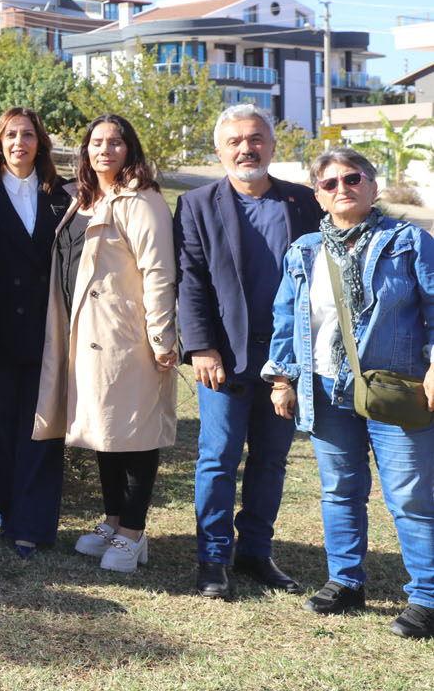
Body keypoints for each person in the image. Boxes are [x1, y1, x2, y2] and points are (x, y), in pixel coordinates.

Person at [263, 148, 434, 640]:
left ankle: (426, 596)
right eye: (330, 182)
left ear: (372, 186)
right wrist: (281, 378)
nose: (343, 187)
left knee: (410, 497)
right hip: (322, 387)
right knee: (340, 491)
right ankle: (346, 581)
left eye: (353, 178)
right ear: (318, 196)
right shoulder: (303, 250)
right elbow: (285, 318)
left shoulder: (409, 242)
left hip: (394, 389)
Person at [176, 104, 321, 599]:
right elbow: (190, 281)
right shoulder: (196, 203)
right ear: (219, 150)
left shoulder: (305, 203)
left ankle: (256, 552)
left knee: (271, 459)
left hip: (289, 359)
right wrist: (200, 346)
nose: (246, 148)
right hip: (226, 356)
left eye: (255, 138)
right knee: (217, 457)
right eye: (235, 140)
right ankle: (212, 558)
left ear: (272, 146)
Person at [36, 114, 177, 573]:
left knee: (135, 434)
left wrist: (161, 337)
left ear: (129, 150)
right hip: (86, 336)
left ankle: (133, 533)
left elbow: (159, 272)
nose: (105, 150)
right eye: (96, 142)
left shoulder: (142, 201)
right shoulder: (84, 201)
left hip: (127, 337)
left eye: (115, 143)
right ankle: (114, 519)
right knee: (106, 431)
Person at [0, 108, 70, 559]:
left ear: (40, 143)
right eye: (11, 135)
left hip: (51, 330)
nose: (19, 142)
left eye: (28, 134)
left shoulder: (65, 195)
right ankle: (8, 513)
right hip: (1, 330)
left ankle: (34, 525)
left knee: (43, 428)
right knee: (6, 428)